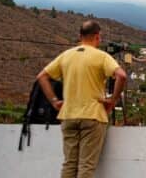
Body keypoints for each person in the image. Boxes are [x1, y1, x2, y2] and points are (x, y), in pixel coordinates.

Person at [37, 20, 127, 178]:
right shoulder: (102, 56)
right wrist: (112, 100)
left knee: (69, 164)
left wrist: (54, 101)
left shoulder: (66, 55)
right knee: (86, 165)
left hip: (68, 115)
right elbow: (121, 75)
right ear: (97, 37)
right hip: (93, 115)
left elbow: (42, 76)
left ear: (80, 36)